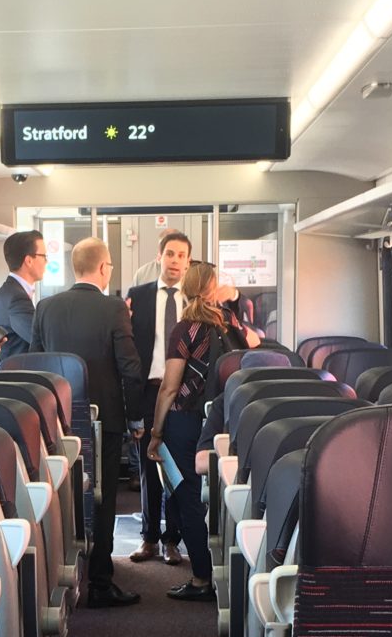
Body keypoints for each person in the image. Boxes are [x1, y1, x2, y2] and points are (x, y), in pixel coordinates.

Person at [31, 236, 145, 608]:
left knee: (64, 497)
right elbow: (129, 368)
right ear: (103, 268)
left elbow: (35, 365)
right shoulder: (113, 308)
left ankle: (65, 573)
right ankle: (100, 579)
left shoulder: (45, 307)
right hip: (103, 421)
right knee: (103, 498)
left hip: (58, 422)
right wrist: (136, 418)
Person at [146, 260, 242, 602]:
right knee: (227, 499)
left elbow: (170, 388)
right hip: (227, 421)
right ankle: (229, 574)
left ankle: (202, 578)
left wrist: (155, 434)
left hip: (185, 423)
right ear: (211, 288)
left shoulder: (185, 329)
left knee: (187, 499)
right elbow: (253, 355)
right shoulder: (230, 324)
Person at [124, 231, 192, 564]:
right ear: (159, 257)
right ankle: (149, 538)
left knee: (175, 467)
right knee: (148, 469)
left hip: (183, 394)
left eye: (181, 255)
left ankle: (172, 540)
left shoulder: (195, 299)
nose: (175, 260)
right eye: (170, 254)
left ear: (188, 262)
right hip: (149, 389)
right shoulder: (138, 296)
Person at [0, 231, 46, 363]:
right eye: (44, 256)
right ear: (29, 260)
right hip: (22, 378)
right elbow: (41, 341)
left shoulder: (4, 293)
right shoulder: (16, 298)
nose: (46, 262)